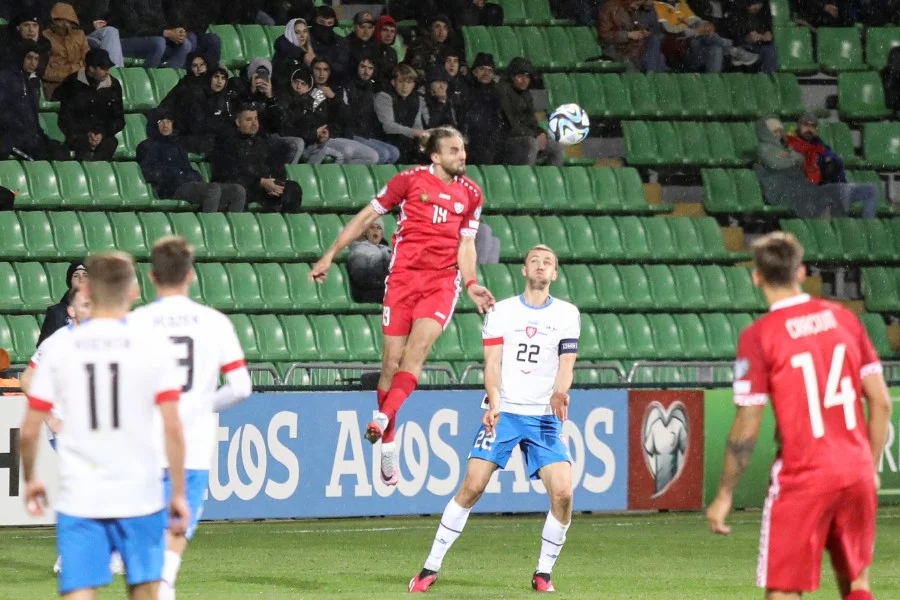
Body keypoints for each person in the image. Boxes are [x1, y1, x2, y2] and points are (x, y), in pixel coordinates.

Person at [706, 231, 891, 600]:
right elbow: (882, 402)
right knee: (856, 582)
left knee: (784, 590)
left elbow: (747, 424)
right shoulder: (844, 319)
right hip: (855, 469)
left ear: (757, 277)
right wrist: (868, 467)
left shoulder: (760, 336)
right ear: (802, 272)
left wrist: (725, 494)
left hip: (803, 475)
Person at [310, 126, 495, 485]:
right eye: (454, 150)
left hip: (441, 283)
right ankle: (388, 445)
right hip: (402, 281)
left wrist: (471, 283)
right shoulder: (407, 181)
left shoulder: (472, 193)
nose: (462, 155)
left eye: (462, 148)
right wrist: (330, 254)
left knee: (417, 351)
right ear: (435, 156)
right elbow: (366, 217)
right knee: (390, 364)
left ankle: (382, 418)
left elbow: (466, 245)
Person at [18, 251, 190, 599]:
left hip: (81, 493)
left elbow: (29, 429)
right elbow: (173, 428)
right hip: (139, 491)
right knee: (145, 588)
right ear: (133, 292)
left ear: (88, 290)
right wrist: (177, 492)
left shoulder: (60, 347)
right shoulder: (152, 347)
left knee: (79, 589)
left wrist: (32, 478)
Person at [409, 244, 580, 593]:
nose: (541, 266)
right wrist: (495, 403)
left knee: (563, 494)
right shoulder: (501, 311)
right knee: (472, 487)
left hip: (544, 417)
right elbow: (492, 363)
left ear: (555, 273)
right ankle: (429, 567)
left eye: (547, 262)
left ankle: (544, 573)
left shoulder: (567, 313)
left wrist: (559, 393)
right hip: (506, 412)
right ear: (524, 270)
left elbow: (567, 364)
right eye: (534, 261)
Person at [129, 236, 251, 600]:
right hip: (192, 448)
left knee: (145, 548)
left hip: (143, 446)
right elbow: (241, 387)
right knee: (171, 546)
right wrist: (200, 406)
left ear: (152, 276)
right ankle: (165, 583)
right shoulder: (215, 323)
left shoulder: (134, 323)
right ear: (190, 275)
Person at [21, 287, 125, 577]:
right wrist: (51, 417)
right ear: (71, 310)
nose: (91, 309)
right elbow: (28, 380)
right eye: (84, 304)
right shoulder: (56, 343)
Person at [137, 112, 247, 212]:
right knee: (212, 190)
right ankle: (210, 225)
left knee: (238, 191)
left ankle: (233, 226)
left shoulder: (178, 145)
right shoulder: (147, 146)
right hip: (173, 189)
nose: (165, 125)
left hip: (189, 184)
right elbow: (149, 172)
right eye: (161, 122)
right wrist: (175, 175)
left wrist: (193, 176)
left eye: (169, 121)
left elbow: (187, 168)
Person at [211, 105, 303, 213]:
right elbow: (229, 175)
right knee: (239, 191)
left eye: (256, 118)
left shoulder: (262, 141)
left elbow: (276, 166)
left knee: (292, 188)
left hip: (261, 188)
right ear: (238, 122)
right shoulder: (225, 143)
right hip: (240, 187)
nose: (255, 124)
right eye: (248, 120)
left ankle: (286, 221)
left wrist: (275, 183)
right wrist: (260, 182)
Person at [786, 113, 879, 219]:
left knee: (871, 190)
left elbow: (833, 159)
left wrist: (830, 161)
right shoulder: (793, 144)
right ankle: (839, 222)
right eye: (806, 125)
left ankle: (867, 225)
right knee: (841, 191)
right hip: (811, 191)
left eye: (813, 126)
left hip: (832, 188)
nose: (809, 129)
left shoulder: (819, 144)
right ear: (799, 126)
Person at [754, 117, 840, 218]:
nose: (778, 134)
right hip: (778, 186)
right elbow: (776, 164)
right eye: (774, 132)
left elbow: (800, 158)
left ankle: (826, 216)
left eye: (779, 131)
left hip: (794, 182)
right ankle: (819, 219)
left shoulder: (784, 147)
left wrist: (788, 158)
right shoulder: (763, 149)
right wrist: (791, 159)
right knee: (802, 197)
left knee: (817, 193)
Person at [0, 42, 69, 161]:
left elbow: (33, 118)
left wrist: (41, 137)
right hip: (12, 140)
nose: (33, 63)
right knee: (39, 159)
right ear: (20, 57)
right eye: (29, 58)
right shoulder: (5, 79)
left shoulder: (34, 81)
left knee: (62, 152)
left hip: (33, 138)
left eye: (36, 59)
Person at [54, 47, 124, 161]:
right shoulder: (72, 83)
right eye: (103, 68)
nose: (107, 72)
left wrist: (102, 133)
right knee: (81, 144)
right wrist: (86, 133)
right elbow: (65, 117)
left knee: (110, 143)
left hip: (104, 136)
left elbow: (119, 118)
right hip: (78, 135)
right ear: (91, 68)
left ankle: (98, 171)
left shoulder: (114, 85)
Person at [496, 57, 564, 167]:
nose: (524, 80)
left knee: (556, 147)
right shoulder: (502, 90)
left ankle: (548, 177)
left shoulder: (526, 94)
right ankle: (526, 176)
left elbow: (531, 121)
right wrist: (534, 135)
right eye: (520, 76)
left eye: (527, 76)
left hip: (525, 135)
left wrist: (541, 133)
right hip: (505, 139)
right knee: (531, 144)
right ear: (511, 76)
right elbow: (510, 124)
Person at [345, 57, 401, 164]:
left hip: (367, 134)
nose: (366, 71)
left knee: (394, 152)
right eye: (363, 67)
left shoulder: (374, 87)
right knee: (383, 154)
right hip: (352, 134)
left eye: (370, 68)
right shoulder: (349, 86)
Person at [374, 64, 430, 164]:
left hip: (406, 139)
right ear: (393, 82)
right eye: (400, 82)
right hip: (384, 138)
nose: (405, 86)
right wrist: (414, 132)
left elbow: (417, 124)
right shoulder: (384, 97)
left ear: (413, 84)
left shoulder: (416, 99)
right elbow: (388, 127)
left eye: (409, 82)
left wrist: (423, 136)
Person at [461, 52, 506, 165]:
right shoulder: (466, 90)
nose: (486, 73)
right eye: (482, 69)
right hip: (471, 139)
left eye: (490, 70)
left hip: (491, 139)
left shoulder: (496, 93)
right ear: (474, 72)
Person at [599, 0, 667, 73]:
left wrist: (643, 32)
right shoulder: (611, 9)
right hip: (616, 48)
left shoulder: (631, 10)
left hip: (633, 47)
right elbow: (605, 35)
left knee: (659, 54)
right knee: (653, 57)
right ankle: (648, 75)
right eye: (636, 4)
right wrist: (628, 35)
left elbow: (636, 26)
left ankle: (651, 76)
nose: (636, 8)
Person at [42, 2, 90, 97]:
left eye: (68, 21)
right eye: (60, 20)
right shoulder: (45, 36)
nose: (65, 24)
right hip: (55, 84)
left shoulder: (80, 35)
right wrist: (73, 72)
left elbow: (88, 60)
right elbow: (45, 72)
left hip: (80, 81)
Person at [37, 260, 87, 347]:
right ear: (70, 282)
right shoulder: (56, 312)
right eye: (76, 276)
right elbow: (44, 346)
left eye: (85, 275)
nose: (81, 279)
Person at [348, 217, 391, 303]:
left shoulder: (388, 250)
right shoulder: (359, 250)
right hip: (370, 294)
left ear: (382, 233)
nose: (375, 230)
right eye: (372, 227)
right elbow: (360, 276)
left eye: (379, 228)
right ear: (365, 232)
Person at [272, 17, 316, 93]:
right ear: (290, 33)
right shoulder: (283, 55)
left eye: (305, 31)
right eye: (297, 32)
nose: (302, 35)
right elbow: (281, 82)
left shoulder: (310, 52)